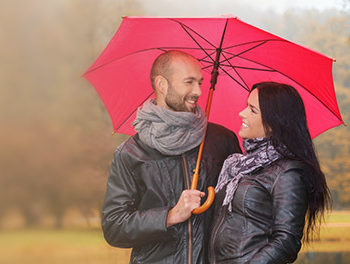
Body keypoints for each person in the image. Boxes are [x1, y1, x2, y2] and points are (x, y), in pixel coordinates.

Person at [102, 50, 241, 264]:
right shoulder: (130, 153)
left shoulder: (221, 140)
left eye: (200, 83)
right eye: (189, 82)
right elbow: (114, 226)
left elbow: (241, 210)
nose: (198, 91)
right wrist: (169, 216)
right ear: (161, 84)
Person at [209, 82, 331, 264]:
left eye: (252, 110)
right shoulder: (239, 165)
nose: (242, 113)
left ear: (273, 123)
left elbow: (286, 241)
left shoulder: (288, 172)